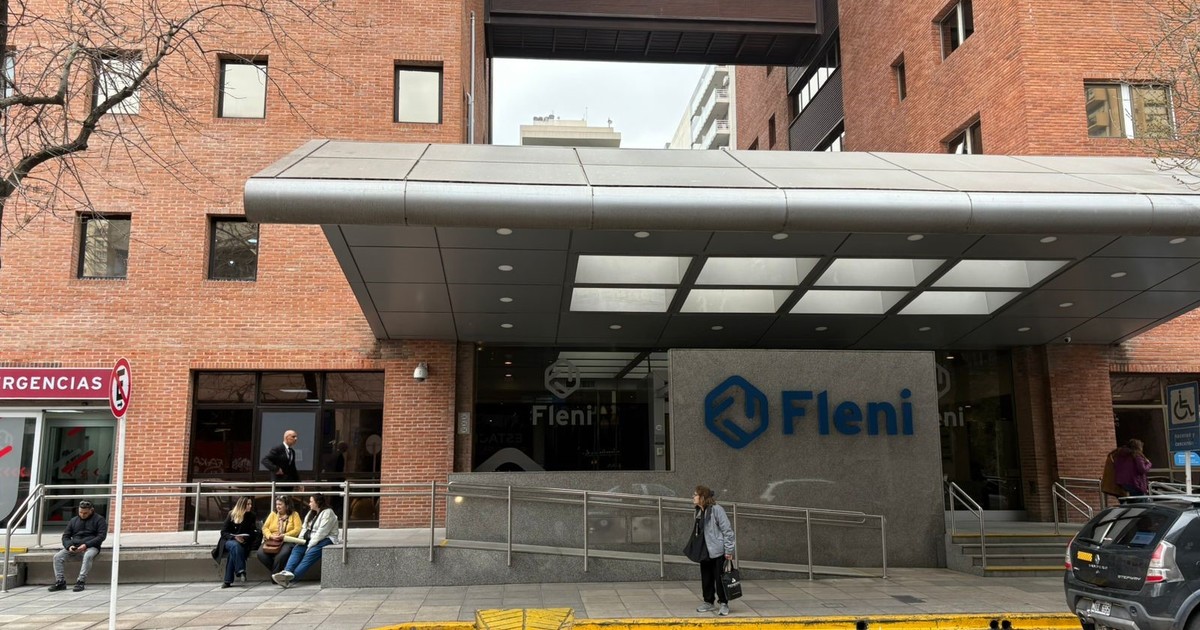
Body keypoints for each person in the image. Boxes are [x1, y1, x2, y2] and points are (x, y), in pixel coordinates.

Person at [272, 493, 338, 588]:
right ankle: (287, 571)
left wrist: (309, 546)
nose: (309, 504)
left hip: (326, 538)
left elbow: (321, 533)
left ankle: (289, 579)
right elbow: (304, 528)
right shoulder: (311, 512)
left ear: (318, 502)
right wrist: (301, 540)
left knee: (310, 554)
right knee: (297, 549)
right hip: (310, 538)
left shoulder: (328, 513)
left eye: (311, 502)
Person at [691, 485, 736, 617]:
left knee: (720, 578)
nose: (693, 497)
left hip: (718, 551)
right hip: (704, 551)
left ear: (702, 497)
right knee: (706, 578)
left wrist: (729, 550)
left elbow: (727, 531)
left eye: (695, 494)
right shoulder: (698, 511)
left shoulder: (717, 510)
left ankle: (724, 603)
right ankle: (708, 601)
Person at [48, 500, 107, 592]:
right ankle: (60, 582)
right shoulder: (73, 520)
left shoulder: (100, 520)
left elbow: (101, 536)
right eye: (80, 512)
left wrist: (86, 545)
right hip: (74, 545)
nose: (82, 515)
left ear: (91, 510)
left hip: (91, 546)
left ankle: (81, 581)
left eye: (85, 513)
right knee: (57, 557)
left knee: (88, 556)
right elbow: (66, 536)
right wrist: (69, 546)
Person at [212, 496, 258, 588]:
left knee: (233, 552)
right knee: (235, 546)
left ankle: (227, 581)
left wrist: (245, 538)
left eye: (250, 504)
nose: (250, 506)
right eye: (248, 504)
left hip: (243, 541)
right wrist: (234, 537)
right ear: (242, 505)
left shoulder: (252, 515)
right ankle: (241, 570)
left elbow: (253, 531)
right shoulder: (232, 514)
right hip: (229, 540)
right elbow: (223, 532)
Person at [256, 497, 302, 574]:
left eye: (280, 504)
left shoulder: (294, 514)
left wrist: (284, 535)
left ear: (287, 505)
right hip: (272, 540)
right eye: (277, 504)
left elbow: (298, 529)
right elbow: (265, 527)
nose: (277, 506)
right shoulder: (273, 514)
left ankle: (275, 576)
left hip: (287, 541)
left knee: (280, 556)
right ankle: (278, 573)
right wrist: (270, 536)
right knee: (260, 554)